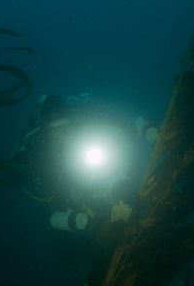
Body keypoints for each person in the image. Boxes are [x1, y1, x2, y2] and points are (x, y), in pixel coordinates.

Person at [12, 92, 158, 233]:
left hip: (109, 187)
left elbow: (128, 124)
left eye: (66, 127)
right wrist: (74, 220)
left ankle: (125, 195)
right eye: (55, 130)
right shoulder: (43, 156)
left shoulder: (88, 131)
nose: (62, 135)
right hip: (81, 209)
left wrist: (147, 129)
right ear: (46, 133)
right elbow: (52, 209)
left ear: (73, 123)